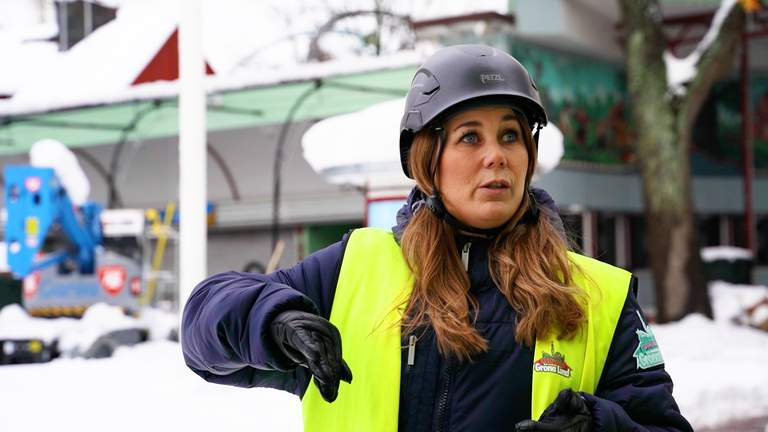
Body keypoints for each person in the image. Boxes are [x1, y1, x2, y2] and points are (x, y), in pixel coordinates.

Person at [181, 44, 692, 432]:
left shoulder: (598, 294)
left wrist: (601, 425)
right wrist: (273, 324)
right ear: (428, 159)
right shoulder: (356, 270)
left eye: (510, 135)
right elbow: (203, 326)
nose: (496, 156)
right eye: (470, 137)